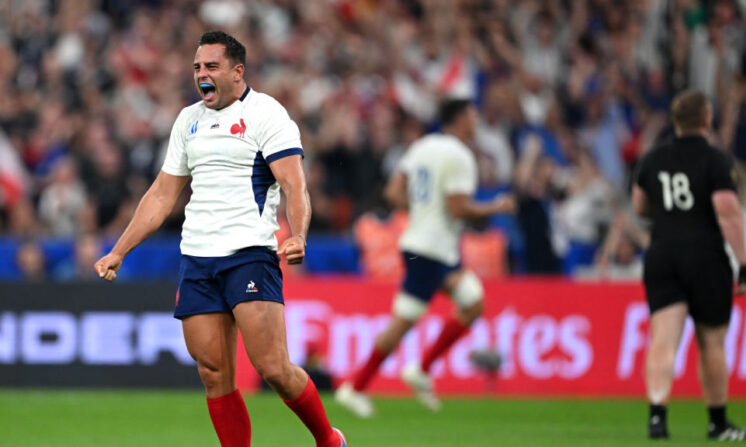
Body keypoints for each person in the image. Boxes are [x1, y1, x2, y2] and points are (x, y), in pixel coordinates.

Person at [93, 31, 346, 447]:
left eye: (211, 66)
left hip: (248, 254)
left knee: (272, 367)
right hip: (196, 258)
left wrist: (299, 233)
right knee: (213, 373)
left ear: (236, 71)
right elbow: (161, 194)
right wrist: (119, 250)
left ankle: (328, 439)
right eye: (197, 67)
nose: (201, 74)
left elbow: (293, 185)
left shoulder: (267, 114)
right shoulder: (188, 120)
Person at [334, 99, 516, 417]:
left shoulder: (422, 147)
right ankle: (355, 387)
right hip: (429, 251)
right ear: (459, 120)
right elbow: (460, 208)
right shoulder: (460, 156)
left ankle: (421, 370)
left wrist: (423, 212)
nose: (476, 122)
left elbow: (392, 193)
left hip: (433, 248)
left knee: (472, 301)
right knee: (403, 322)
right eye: (473, 116)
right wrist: (496, 206)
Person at [633, 90, 746, 441]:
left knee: (663, 340)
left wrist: (670, 217)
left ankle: (657, 416)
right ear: (706, 119)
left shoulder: (653, 159)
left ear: (675, 121)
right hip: (705, 256)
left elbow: (640, 206)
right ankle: (717, 423)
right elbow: (728, 211)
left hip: (662, 252)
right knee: (711, 342)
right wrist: (743, 263)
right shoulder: (716, 160)